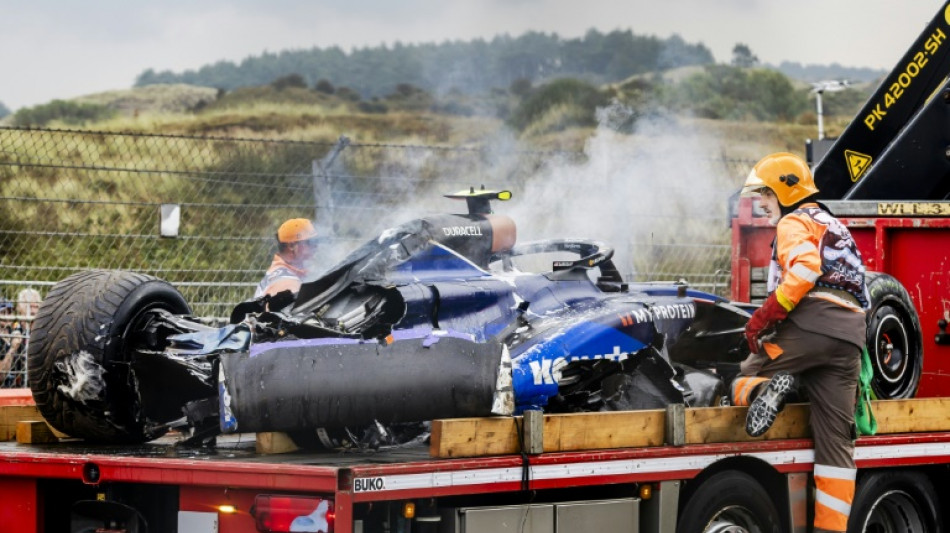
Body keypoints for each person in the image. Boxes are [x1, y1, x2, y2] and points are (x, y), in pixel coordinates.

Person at [731, 152, 868, 533]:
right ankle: (830, 529)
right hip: (851, 339)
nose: (761, 203)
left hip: (813, 325)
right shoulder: (835, 224)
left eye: (765, 195)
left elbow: (806, 269)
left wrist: (764, 317)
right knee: (836, 446)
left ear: (785, 192)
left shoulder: (794, 221)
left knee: (745, 373)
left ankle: (768, 391)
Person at [255, 218, 318, 298]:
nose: (315, 246)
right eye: (309, 242)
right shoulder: (287, 284)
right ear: (291, 246)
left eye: (316, 241)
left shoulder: (283, 272)